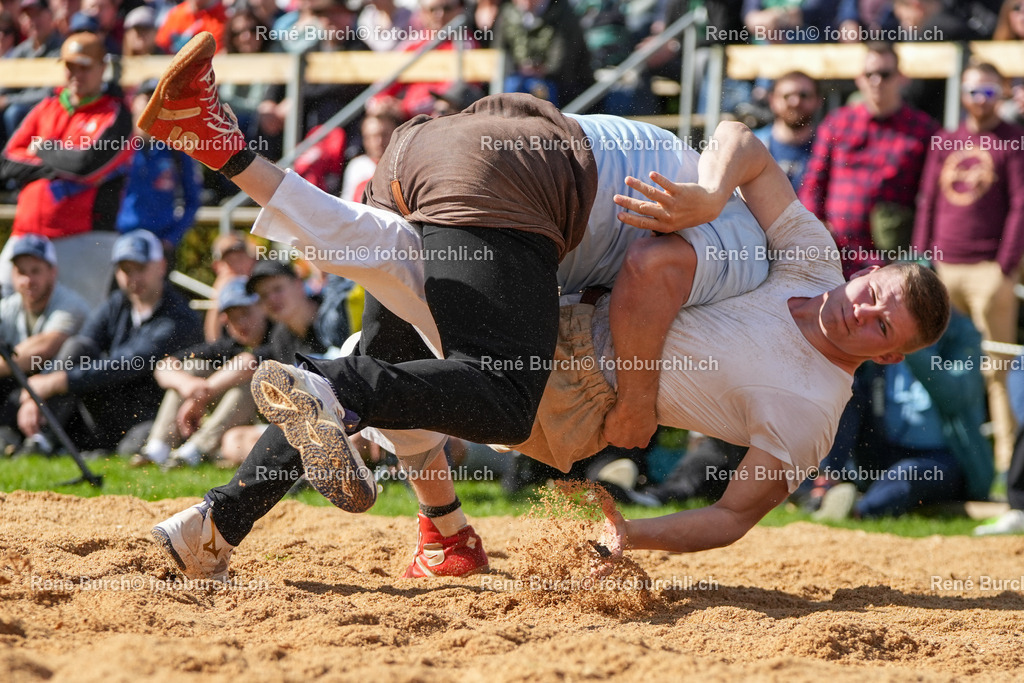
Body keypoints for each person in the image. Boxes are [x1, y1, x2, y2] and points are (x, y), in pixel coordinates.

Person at [140, 32, 947, 581]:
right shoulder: (791, 253)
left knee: (388, 286)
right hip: (531, 220)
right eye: (873, 292)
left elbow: (734, 514)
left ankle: (227, 525)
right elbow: (671, 244)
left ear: (888, 357)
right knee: (482, 386)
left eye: (881, 325)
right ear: (866, 270)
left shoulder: (811, 408)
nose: (861, 308)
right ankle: (341, 393)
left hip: (444, 153)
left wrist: (636, 532)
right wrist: (638, 404)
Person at [912, 61, 1024, 473]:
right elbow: (928, 202)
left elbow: (1021, 206)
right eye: (974, 91)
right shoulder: (944, 140)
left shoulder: (1014, 142)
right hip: (942, 269)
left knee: (998, 371)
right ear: (962, 95)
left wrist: (1005, 269)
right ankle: (959, 461)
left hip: (988, 272)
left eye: (989, 92)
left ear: (1002, 94)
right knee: (945, 366)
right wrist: (922, 261)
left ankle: (1007, 467)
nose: (981, 100)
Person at [15, 230, 203, 454]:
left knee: (130, 449)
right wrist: (38, 391)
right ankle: (40, 441)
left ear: (161, 266)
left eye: (140, 268)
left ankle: (59, 443)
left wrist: (55, 382)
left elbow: (126, 364)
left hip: (149, 414)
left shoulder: (178, 318)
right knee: (77, 347)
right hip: (107, 404)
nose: (133, 278)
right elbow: (84, 345)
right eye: (125, 270)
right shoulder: (118, 303)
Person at [812, 310, 994, 521]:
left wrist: (910, 346)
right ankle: (824, 484)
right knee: (848, 391)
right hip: (882, 450)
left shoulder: (961, 332)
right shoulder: (879, 325)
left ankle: (857, 511)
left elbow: (955, 398)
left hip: (943, 458)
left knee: (908, 473)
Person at [0, 31, 135, 308]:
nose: (75, 74)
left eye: (84, 67)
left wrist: (43, 148)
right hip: (26, 233)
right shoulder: (48, 106)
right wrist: (59, 164)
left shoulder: (115, 113)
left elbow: (87, 165)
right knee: (6, 315)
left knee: (76, 326)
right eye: (70, 66)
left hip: (83, 237)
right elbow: (7, 164)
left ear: (102, 68)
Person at [800, 41, 937, 278]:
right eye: (870, 74)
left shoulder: (923, 130)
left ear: (901, 78)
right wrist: (814, 229)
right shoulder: (837, 122)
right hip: (835, 254)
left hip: (890, 260)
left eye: (885, 74)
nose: (877, 81)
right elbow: (813, 182)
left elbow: (930, 197)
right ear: (859, 78)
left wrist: (919, 253)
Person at [135, 278, 269, 468]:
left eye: (245, 313)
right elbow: (164, 365)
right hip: (235, 425)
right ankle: (158, 448)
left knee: (251, 382)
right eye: (233, 317)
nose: (241, 323)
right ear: (224, 320)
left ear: (262, 308)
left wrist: (201, 395)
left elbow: (248, 363)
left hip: (268, 425)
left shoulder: (275, 338)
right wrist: (188, 385)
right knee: (192, 368)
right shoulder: (228, 345)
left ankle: (196, 450)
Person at [0, 235, 91, 452]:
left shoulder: (71, 305)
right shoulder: (9, 306)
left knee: (75, 349)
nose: (28, 280)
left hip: (69, 401)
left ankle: (43, 443)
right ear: (12, 275)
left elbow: (42, 349)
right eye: (22, 272)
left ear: (53, 271)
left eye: (35, 271)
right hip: (27, 392)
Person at [116, 78, 203, 248]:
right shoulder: (116, 146)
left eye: (159, 101)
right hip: (119, 239)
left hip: (160, 242)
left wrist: (171, 238)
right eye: (148, 98)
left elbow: (193, 199)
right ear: (133, 102)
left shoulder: (177, 150)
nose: (152, 105)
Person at [752, 71, 822, 190]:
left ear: (818, 101)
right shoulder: (753, 145)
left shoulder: (829, 148)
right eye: (787, 96)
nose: (795, 102)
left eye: (804, 95)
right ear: (772, 100)